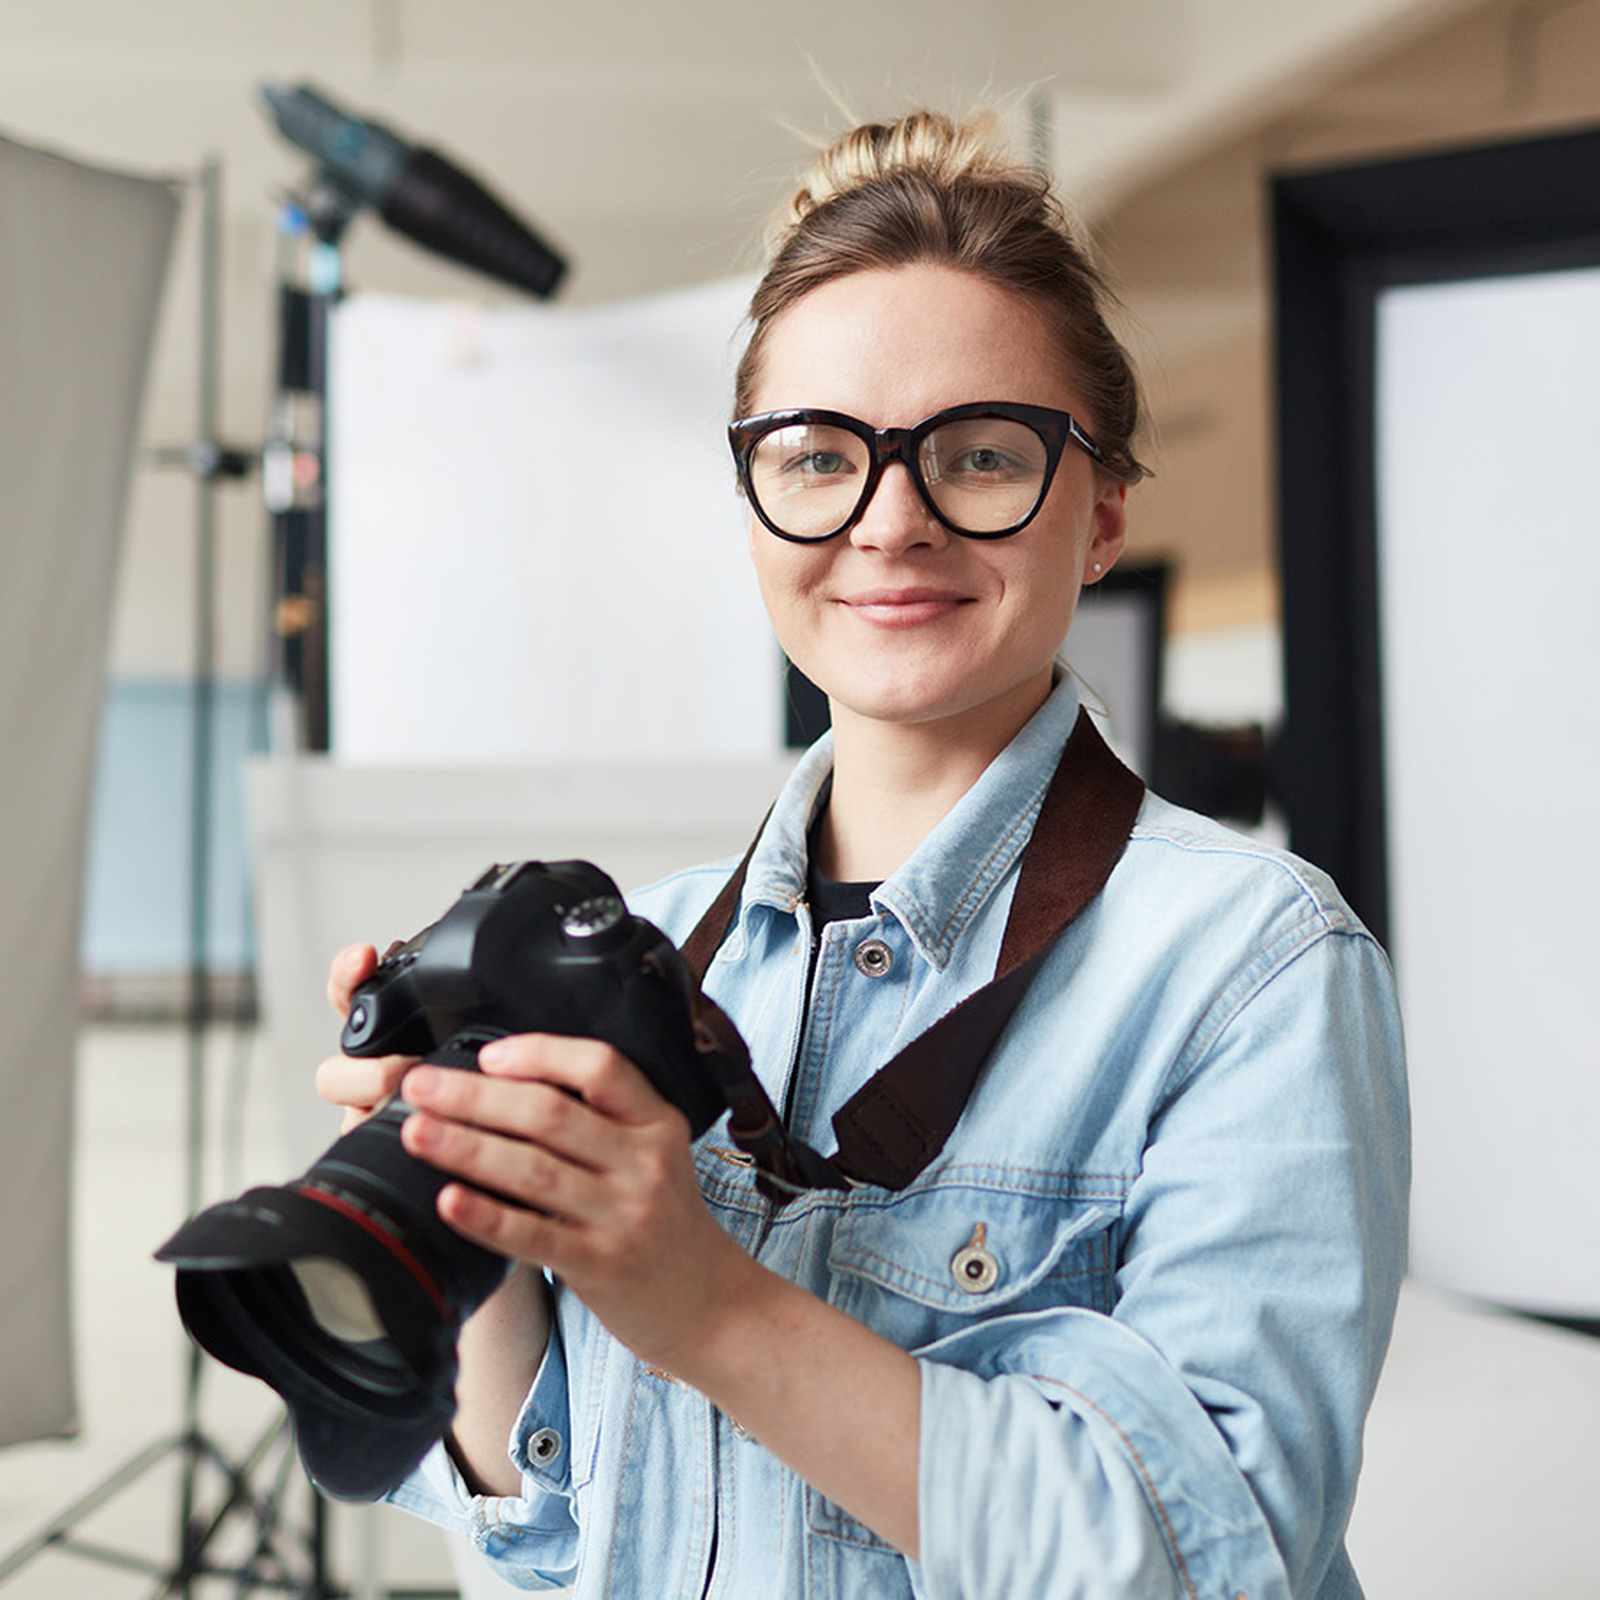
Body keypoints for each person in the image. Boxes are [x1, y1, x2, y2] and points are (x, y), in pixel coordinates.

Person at [317, 109, 1408, 1599]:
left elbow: (1206, 1568)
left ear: (1101, 517)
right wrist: (479, 1221)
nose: (890, 523)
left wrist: (700, 1300)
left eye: (977, 453)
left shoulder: (1252, 968)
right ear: (757, 503)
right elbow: (559, 1532)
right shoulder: (646, 944)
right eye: (821, 457)